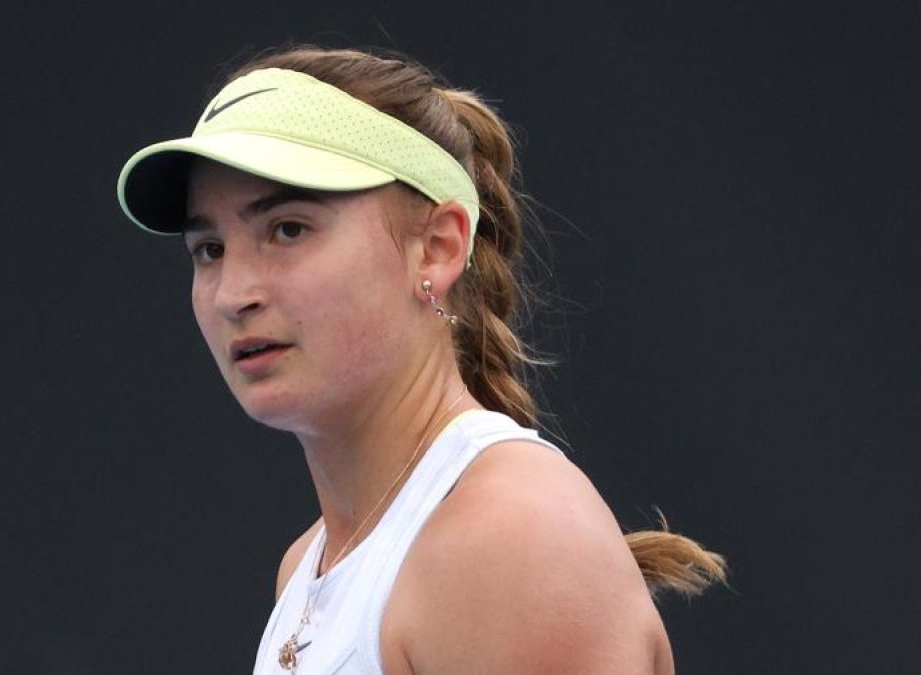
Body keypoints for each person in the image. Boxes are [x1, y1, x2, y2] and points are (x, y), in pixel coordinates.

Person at [116, 45, 725, 675]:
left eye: (288, 229)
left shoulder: (508, 537)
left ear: (436, 249)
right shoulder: (307, 568)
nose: (235, 293)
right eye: (209, 248)